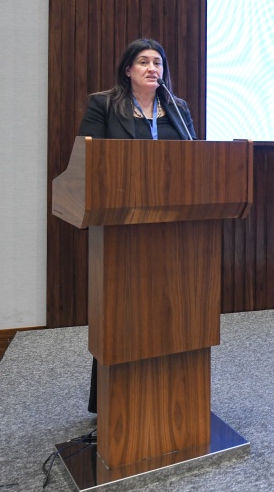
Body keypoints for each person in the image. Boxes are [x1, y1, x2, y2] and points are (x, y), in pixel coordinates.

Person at [75, 37, 195, 414]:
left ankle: (174, 398)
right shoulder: (104, 105)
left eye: (157, 63)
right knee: (122, 313)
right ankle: (116, 403)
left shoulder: (177, 108)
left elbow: (196, 159)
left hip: (174, 226)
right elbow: (87, 159)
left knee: (175, 308)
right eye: (143, 61)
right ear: (128, 69)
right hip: (121, 223)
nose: (151, 68)